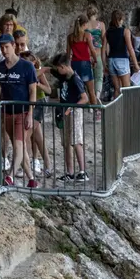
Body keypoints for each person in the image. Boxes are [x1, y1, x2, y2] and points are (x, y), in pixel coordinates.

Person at [0, 38, 37, 183]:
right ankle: (31, 179)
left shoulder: (27, 66)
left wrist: (30, 113)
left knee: (19, 144)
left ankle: (10, 175)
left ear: (13, 46)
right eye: (1, 47)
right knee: (19, 146)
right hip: (7, 112)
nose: (4, 50)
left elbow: (32, 91)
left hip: (23, 111)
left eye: (6, 47)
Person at [50, 53, 89, 182]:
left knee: (76, 140)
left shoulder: (75, 79)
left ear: (63, 66)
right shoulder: (63, 77)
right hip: (65, 111)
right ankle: (70, 172)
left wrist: (70, 109)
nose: (58, 71)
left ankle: (83, 171)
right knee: (66, 142)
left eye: (59, 68)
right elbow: (48, 70)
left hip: (74, 112)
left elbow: (84, 98)